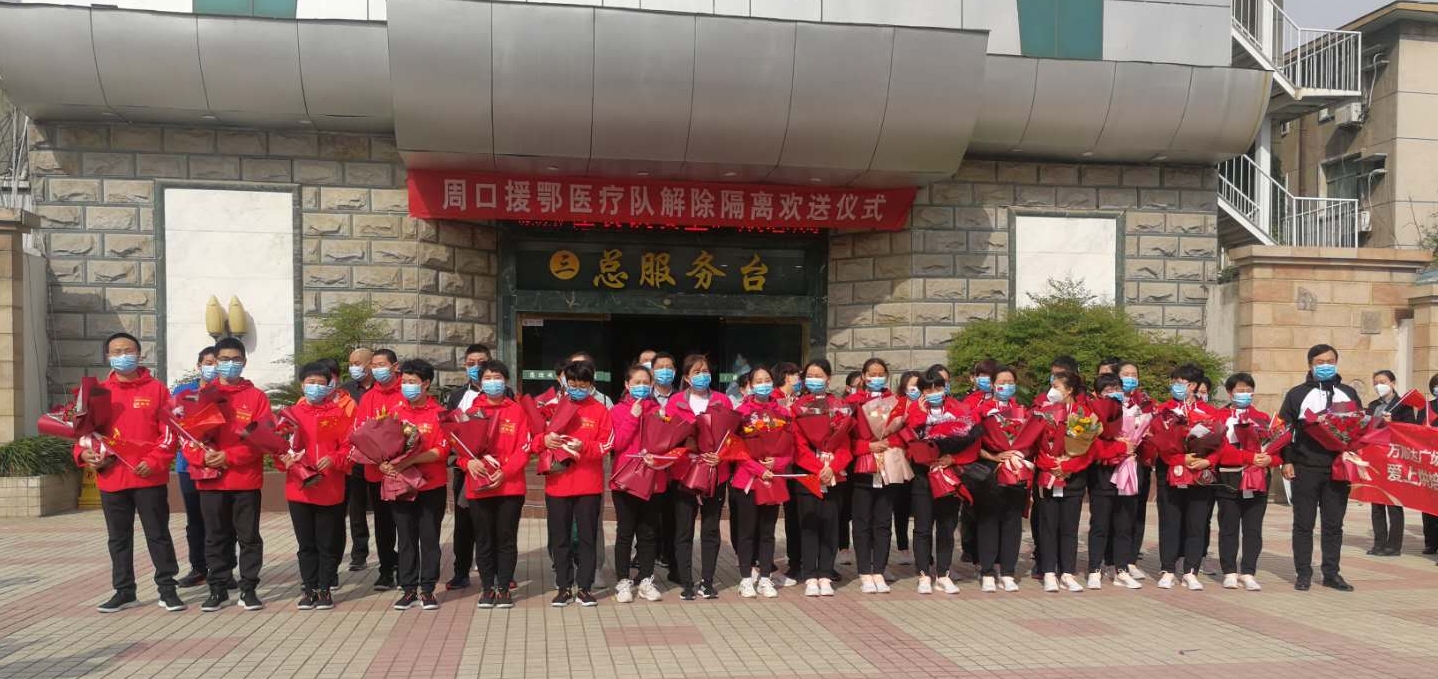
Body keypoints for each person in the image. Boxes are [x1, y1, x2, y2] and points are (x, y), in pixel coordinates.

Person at [77, 332, 185, 613]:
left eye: (128, 350)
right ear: (107, 356)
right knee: (118, 538)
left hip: (148, 476)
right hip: (112, 477)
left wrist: (155, 460)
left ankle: (167, 589)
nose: (122, 356)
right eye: (116, 352)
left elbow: (170, 433)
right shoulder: (97, 392)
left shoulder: (157, 390)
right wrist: (84, 454)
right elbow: (83, 433)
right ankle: (124, 591)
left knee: (158, 534)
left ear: (139, 354)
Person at [195, 337, 273, 612]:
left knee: (248, 537)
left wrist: (230, 456)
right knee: (215, 536)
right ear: (215, 361)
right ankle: (218, 588)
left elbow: (263, 438)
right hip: (211, 479)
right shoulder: (200, 396)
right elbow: (186, 437)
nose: (230, 364)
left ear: (244, 362)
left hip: (245, 480)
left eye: (236, 359)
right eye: (224, 359)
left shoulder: (257, 397)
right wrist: (202, 456)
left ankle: (248, 588)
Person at [1279, 344, 1360, 592]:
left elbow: (1359, 427)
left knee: (1333, 525)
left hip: (1337, 468)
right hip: (1305, 466)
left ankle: (1331, 573)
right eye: (1320, 362)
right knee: (1304, 523)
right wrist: (1287, 460)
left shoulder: (1348, 393)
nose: (1325, 366)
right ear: (1310, 365)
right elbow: (1285, 431)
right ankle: (1303, 573)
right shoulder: (1297, 394)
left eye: (1330, 361)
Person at [540, 360, 614, 607]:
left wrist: (585, 447)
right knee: (559, 538)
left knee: (587, 538)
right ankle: (563, 587)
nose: (577, 389)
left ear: (591, 385)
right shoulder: (552, 407)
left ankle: (584, 587)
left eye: (583, 385)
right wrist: (545, 440)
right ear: (565, 382)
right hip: (558, 483)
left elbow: (607, 444)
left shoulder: (600, 410)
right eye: (573, 384)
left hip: (588, 484)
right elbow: (535, 438)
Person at [282, 362, 355, 610]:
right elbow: (279, 447)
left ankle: (325, 589)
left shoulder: (339, 414)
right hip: (299, 488)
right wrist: (285, 459)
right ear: (302, 385)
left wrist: (334, 458)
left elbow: (349, 447)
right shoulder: (290, 414)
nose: (315, 387)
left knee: (327, 543)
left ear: (330, 386)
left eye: (321, 383)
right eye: (311, 382)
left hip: (329, 486)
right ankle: (309, 588)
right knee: (306, 544)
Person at [665, 353, 733, 600]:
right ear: (686, 377)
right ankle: (686, 582)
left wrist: (721, 456)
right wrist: (685, 446)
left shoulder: (723, 401)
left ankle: (708, 581)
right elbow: (667, 437)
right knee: (683, 529)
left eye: (705, 371)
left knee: (711, 528)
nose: (702, 375)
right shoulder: (675, 402)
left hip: (715, 472)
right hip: (684, 473)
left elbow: (732, 437)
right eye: (696, 372)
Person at [464, 360, 531, 610]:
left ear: (506, 381)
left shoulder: (517, 410)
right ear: (480, 382)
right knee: (483, 540)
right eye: (488, 378)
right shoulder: (471, 411)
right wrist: (467, 462)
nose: (493, 382)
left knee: (506, 539)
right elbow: (459, 446)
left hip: (509, 486)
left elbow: (524, 448)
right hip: (479, 486)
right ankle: (487, 588)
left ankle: (503, 588)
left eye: (497, 377)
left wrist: (506, 472)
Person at [386, 359, 450, 611]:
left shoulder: (439, 413)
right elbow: (382, 445)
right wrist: (384, 464)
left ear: (426, 383)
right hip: (401, 486)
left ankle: (428, 589)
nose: (407, 386)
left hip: (431, 486)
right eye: (404, 382)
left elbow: (441, 451)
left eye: (412, 382)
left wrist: (411, 460)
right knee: (405, 539)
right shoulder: (395, 412)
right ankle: (408, 588)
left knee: (429, 538)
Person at [903, 367, 972, 595]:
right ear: (922, 392)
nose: (934, 393)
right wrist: (921, 414)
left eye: (938, 388)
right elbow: (907, 437)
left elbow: (970, 441)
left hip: (948, 475)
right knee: (923, 527)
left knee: (946, 526)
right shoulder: (915, 410)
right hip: (923, 475)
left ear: (945, 388)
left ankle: (943, 574)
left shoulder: (958, 409)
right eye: (928, 389)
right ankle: (923, 574)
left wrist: (952, 458)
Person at [1153, 363, 1219, 591]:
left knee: (1196, 523)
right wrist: (1180, 458)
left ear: (1193, 385)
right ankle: (1168, 569)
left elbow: (1219, 444)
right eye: (1174, 382)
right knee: (1170, 522)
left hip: (1199, 473)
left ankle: (1191, 570)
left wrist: (1208, 461)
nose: (1176, 386)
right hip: (1171, 471)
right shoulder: (1164, 410)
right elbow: (1159, 442)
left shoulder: (1208, 412)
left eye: (1181, 382)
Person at [731, 366, 793, 599]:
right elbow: (736, 449)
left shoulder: (783, 413)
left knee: (768, 532)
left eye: (767, 380)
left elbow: (790, 449)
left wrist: (776, 463)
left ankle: (766, 577)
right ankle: (746, 578)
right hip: (748, 479)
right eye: (758, 380)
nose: (763, 384)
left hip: (772, 478)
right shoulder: (741, 413)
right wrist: (758, 468)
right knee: (747, 532)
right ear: (750, 385)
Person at [791, 359, 852, 597]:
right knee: (809, 526)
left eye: (819, 375)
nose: (815, 379)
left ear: (828, 378)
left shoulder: (840, 406)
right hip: (808, 475)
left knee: (830, 526)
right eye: (810, 375)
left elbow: (845, 446)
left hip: (834, 477)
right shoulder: (798, 407)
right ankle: (809, 575)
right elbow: (798, 445)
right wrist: (818, 468)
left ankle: (825, 574)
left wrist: (832, 468)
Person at [1034, 370, 1097, 593]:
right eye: (1051, 386)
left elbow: (1088, 450)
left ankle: (1068, 572)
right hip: (1049, 476)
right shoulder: (1044, 412)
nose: (1052, 391)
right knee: (1048, 526)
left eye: (1057, 387)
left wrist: (1068, 466)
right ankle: (1049, 572)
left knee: (1070, 527)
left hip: (1073, 479)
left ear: (1069, 390)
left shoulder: (1083, 413)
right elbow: (1036, 446)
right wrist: (1052, 465)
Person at [610, 364, 669, 604]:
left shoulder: (659, 411)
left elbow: (667, 443)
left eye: (646, 382)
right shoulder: (617, 411)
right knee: (625, 533)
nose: (642, 386)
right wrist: (633, 417)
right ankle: (623, 581)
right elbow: (618, 444)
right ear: (627, 385)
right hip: (626, 480)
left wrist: (659, 456)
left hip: (653, 480)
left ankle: (646, 579)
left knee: (648, 533)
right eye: (637, 383)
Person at [1213, 373, 1276, 591]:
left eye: (1249, 390)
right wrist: (1248, 457)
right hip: (1228, 478)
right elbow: (1218, 449)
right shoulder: (1219, 417)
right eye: (1240, 390)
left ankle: (1249, 572)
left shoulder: (1262, 418)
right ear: (1230, 393)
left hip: (1258, 479)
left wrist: (1270, 459)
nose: (1245, 394)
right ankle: (1229, 571)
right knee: (1228, 527)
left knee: (1253, 529)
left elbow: (1276, 449)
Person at [352, 348, 408, 590]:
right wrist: (378, 460)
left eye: (381, 365)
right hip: (377, 472)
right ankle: (386, 569)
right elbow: (360, 432)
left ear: (395, 367)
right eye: (373, 366)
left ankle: (406, 569)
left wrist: (400, 458)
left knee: (405, 523)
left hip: (403, 470)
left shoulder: (406, 392)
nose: (376, 370)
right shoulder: (368, 398)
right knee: (383, 524)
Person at [974, 366, 1031, 593]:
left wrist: (1017, 454)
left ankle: (1008, 572)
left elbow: (1031, 440)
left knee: (1012, 522)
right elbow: (974, 444)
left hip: (1016, 470)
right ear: (992, 385)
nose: (1006, 386)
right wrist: (995, 456)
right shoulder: (982, 411)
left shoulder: (1022, 411)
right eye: (1002, 382)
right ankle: (988, 571)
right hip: (990, 471)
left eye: (1010, 382)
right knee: (988, 520)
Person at [1084, 374, 1143, 590]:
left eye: (1116, 388)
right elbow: (1093, 446)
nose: (1114, 393)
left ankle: (1121, 569)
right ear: (1097, 393)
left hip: (1127, 471)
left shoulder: (1133, 410)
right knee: (1100, 524)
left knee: (1124, 525)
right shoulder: (1091, 413)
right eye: (1108, 390)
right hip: (1102, 475)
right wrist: (1120, 447)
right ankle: (1094, 569)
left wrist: (1131, 444)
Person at [442, 343, 492, 590]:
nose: (476, 367)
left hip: (492, 467)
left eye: (481, 363)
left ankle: (495, 572)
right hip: (465, 468)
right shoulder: (456, 396)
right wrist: (462, 458)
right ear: (464, 365)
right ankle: (461, 572)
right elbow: (450, 430)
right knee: (463, 524)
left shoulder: (504, 392)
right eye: (471, 363)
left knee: (492, 523)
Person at [847, 358, 899, 594]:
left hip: (887, 466)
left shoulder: (895, 402)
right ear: (864, 376)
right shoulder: (853, 403)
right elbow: (845, 438)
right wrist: (867, 447)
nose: (876, 378)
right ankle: (864, 572)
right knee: (861, 522)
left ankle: (879, 569)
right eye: (872, 374)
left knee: (883, 522)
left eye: (880, 374)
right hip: (863, 468)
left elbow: (903, 432)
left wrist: (888, 442)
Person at [170, 346, 218, 588]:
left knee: (220, 520)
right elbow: (172, 423)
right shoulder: (182, 392)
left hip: (218, 464)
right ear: (199, 366)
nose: (213, 367)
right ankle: (199, 568)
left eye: (217, 362)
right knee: (195, 519)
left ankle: (222, 569)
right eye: (208, 363)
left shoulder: (225, 392)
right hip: (188, 466)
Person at [1365, 370, 1414, 556]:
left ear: (1392, 383)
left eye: (1383, 382)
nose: (1379, 386)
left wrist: (1393, 423)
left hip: (1394, 459)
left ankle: (1394, 546)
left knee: (1393, 503)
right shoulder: (1372, 406)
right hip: (1375, 458)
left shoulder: (1404, 406)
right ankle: (1379, 543)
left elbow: (1411, 431)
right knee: (1376, 503)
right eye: (1376, 382)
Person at [1118, 361, 1156, 581]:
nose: (1130, 378)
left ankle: (1131, 559)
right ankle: (1113, 559)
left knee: (1136, 512)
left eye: (1134, 374)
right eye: (1126, 374)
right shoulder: (1111, 401)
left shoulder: (1145, 402)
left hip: (1139, 461)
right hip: (1116, 463)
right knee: (1116, 512)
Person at [341, 347, 376, 572]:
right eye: (351, 363)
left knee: (384, 509)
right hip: (354, 458)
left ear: (370, 364)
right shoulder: (346, 391)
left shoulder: (382, 388)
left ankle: (389, 554)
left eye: (357, 363)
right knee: (356, 508)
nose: (353, 367)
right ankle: (359, 553)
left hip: (378, 458)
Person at [772, 361, 804, 585]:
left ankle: (799, 560)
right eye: (797, 376)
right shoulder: (773, 399)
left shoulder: (801, 400)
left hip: (800, 464)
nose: (799, 380)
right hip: (777, 466)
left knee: (797, 514)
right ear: (786, 376)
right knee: (784, 515)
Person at [891, 370, 923, 570]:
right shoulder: (897, 404)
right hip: (900, 461)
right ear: (904, 387)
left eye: (919, 386)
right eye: (912, 386)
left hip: (921, 462)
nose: (915, 390)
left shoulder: (927, 404)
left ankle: (923, 551)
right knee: (900, 506)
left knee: (920, 508)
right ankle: (903, 547)